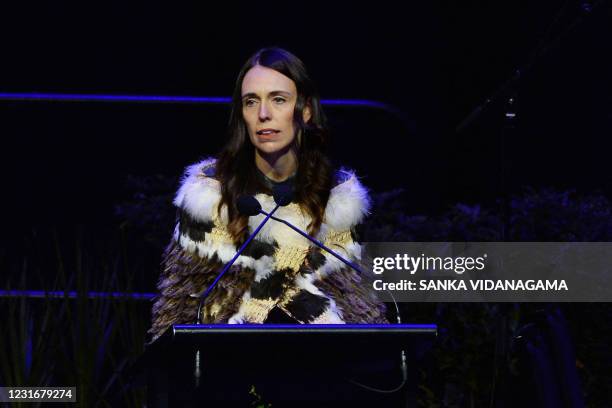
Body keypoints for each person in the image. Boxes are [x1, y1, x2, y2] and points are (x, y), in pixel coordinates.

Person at [147, 47, 388, 343]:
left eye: (278, 99)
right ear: (242, 115)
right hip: (229, 375)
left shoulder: (338, 201)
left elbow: (361, 315)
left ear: (306, 110)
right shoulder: (209, 199)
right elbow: (178, 316)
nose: (263, 114)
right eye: (251, 102)